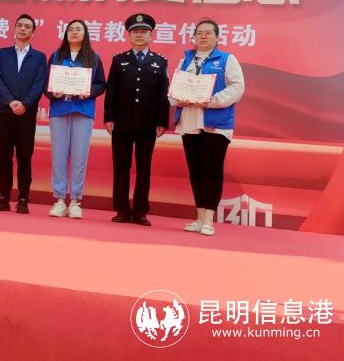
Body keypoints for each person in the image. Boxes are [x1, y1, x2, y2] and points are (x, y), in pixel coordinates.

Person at [169, 18, 245, 236]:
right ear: (194, 37)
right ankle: (199, 217)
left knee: (212, 170)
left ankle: (209, 220)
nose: (203, 37)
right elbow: (174, 88)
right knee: (196, 171)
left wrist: (211, 101)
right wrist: (178, 99)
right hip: (189, 121)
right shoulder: (185, 60)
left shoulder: (227, 59)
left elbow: (237, 87)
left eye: (208, 33)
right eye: (199, 33)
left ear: (217, 37)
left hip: (216, 124)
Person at [104, 13, 170, 227]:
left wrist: (163, 121)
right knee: (120, 167)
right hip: (121, 122)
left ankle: (140, 211)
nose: (139, 35)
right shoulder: (119, 60)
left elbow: (163, 94)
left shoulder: (160, 62)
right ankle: (122, 210)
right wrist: (108, 118)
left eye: (143, 32)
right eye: (135, 32)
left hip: (148, 124)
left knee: (144, 168)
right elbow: (111, 91)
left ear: (151, 35)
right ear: (129, 35)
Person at [45, 19, 106, 219]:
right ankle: (59, 200)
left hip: (83, 111)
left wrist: (88, 92)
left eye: (78, 29)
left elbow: (101, 84)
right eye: (70, 29)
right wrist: (53, 93)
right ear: (66, 33)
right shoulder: (56, 56)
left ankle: (75, 201)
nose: (74, 32)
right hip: (60, 110)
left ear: (85, 33)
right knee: (59, 155)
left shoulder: (93, 57)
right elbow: (46, 84)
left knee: (80, 157)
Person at [0, 14, 47, 214]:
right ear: (14, 29)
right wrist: (10, 101)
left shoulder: (39, 57)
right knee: (3, 156)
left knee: (24, 157)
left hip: (26, 114)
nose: (23, 29)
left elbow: (39, 83)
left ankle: (23, 199)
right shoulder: (1, 53)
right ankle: (3, 198)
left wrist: (25, 104)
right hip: (4, 112)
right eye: (20, 25)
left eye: (27, 27)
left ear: (33, 32)